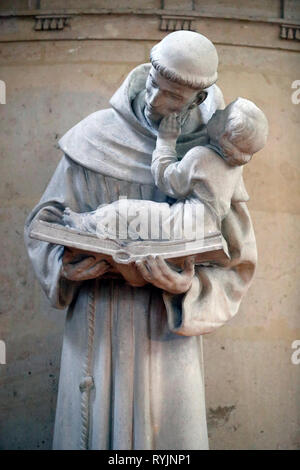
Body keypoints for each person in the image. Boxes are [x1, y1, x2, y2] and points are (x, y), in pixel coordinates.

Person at [24, 31, 257, 450]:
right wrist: (64, 267)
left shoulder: (213, 157)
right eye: (153, 83)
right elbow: (45, 222)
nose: (153, 101)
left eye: (170, 97)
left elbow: (237, 264)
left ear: (198, 100)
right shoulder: (94, 135)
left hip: (164, 341)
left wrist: (186, 286)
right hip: (95, 326)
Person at [61, 98, 268, 246]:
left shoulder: (201, 157)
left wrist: (166, 141)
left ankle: (84, 226)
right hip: (206, 227)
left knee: (125, 211)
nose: (216, 111)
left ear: (225, 135)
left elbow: (167, 181)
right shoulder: (234, 168)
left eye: (222, 115)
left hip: (184, 225)